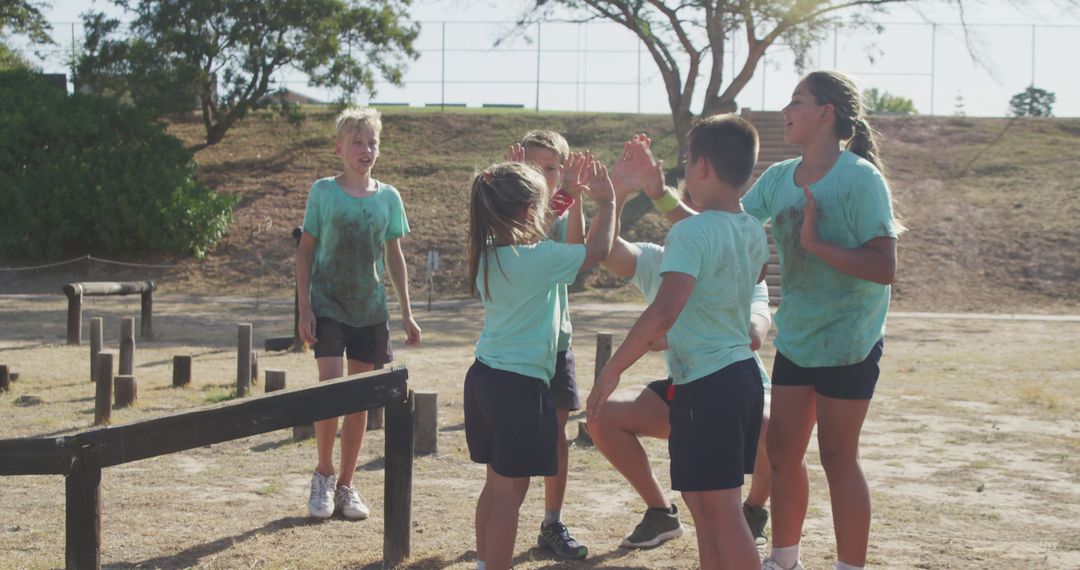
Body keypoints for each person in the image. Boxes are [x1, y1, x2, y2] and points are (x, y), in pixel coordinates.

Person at [588, 114, 769, 569]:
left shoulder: (690, 232)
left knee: (722, 513)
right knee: (704, 507)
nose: (683, 172)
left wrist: (612, 371)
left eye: (687, 162)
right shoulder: (750, 229)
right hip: (735, 381)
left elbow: (664, 309)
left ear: (702, 167)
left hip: (707, 386)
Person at [746, 71, 902, 570]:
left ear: (826, 113)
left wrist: (816, 245)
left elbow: (884, 268)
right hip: (797, 337)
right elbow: (726, 222)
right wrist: (660, 194)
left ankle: (849, 567)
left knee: (838, 457)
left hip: (849, 340)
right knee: (783, 453)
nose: (785, 111)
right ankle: (784, 559)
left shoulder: (860, 178)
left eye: (797, 100)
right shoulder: (778, 178)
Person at [465, 160, 616, 570]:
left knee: (496, 487)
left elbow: (535, 224)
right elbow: (598, 251)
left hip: (484, 378)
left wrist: (567, 194)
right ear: (528, 210)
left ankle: (483, 563)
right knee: (512, 496)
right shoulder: (538, 259)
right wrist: (608, 204)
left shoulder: (488, 253)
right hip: (517, 387)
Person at [295, 107, 422, 520]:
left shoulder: (389, 197)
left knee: (359, 401)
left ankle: (348, 485)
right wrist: (304, 307)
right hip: (328, 304)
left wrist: (406, 312)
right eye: (357, 141)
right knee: (329, 393)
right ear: (340, 148)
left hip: (370, 309)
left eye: (372, 143)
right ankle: (324, 475)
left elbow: (395, 256)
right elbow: (306, 251)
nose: (366, 149)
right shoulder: (323, 192)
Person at [506, 130, 590, 560]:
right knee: (512, 444)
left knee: (557, 436)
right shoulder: (509, 215)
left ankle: (552, 523)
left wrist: (576, 201)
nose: (545, 175)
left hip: (556, 344)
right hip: (518, 352)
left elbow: (576, 254)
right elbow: (525, 234)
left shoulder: (562, 210)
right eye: (534, 167)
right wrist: (506, 183)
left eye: (553, 168)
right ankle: (501, 523)